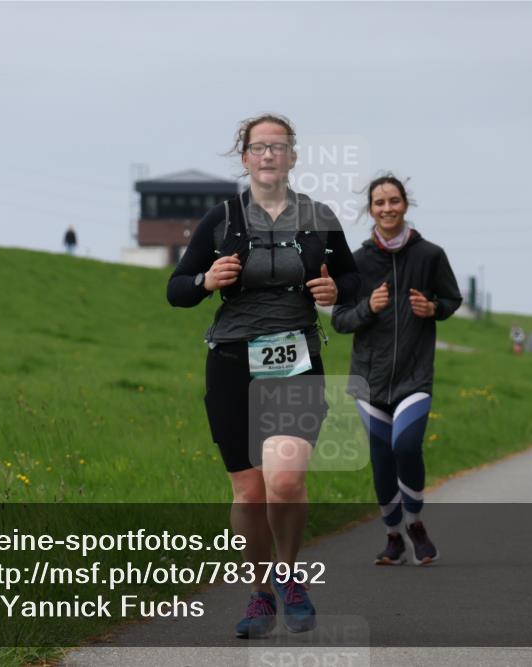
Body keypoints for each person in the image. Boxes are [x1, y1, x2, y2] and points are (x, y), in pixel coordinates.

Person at [167, 114, 359, 638]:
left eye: (279, 147)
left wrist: (336, 293)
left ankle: (291, 576)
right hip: (231, 364)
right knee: (250, 493)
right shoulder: (221, 218)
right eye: (259, 147)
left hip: (296, 360)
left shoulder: (319, 217)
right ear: (245, 157)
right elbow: (177, 289)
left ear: (293, 157)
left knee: (286, 479)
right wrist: (206, 279)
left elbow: (351, 280)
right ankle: (259, 593)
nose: (269, 155)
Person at [331, 175, 462, 566]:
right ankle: (392, 537)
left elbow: (451, 298)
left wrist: (433, 309)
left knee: (406, 446)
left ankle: (416, 524)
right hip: (369, 378)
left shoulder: (430, 255)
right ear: (370, 209)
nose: (386, 208)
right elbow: (339, 320)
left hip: (415, 375)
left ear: (405, 205)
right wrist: (368, 308)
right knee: (382, 458)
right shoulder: (357, 262)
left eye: (393, 200)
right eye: (379, 202)